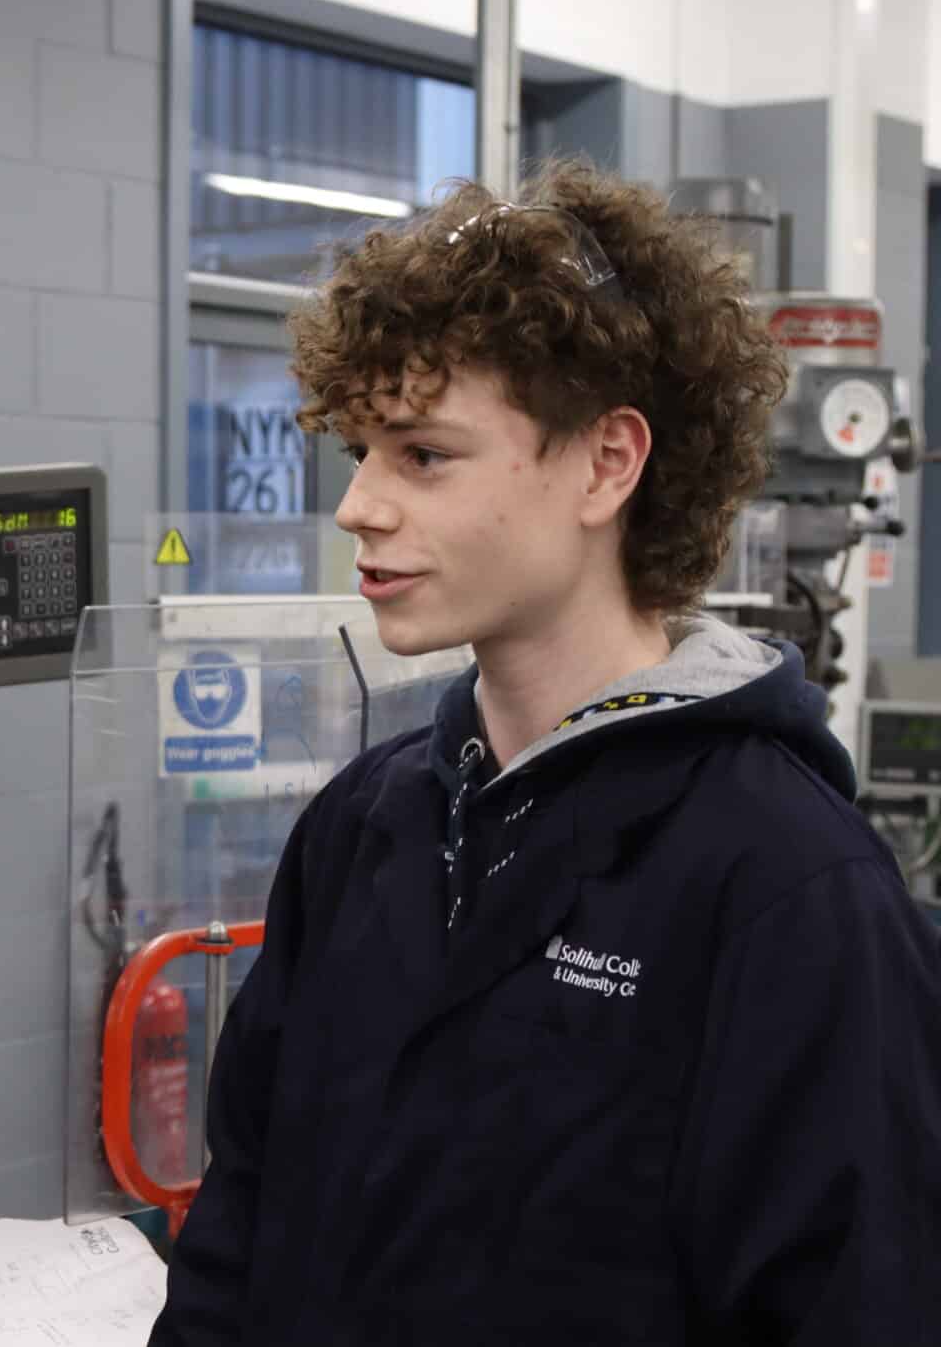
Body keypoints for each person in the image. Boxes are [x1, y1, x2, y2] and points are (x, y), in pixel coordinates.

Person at [152, 160, 941, 1344]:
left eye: (421, 454)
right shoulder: (364, 825)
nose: (359, 505)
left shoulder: (785, 885)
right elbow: (239, 1223)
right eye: (358, 449)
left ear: (605, 464)